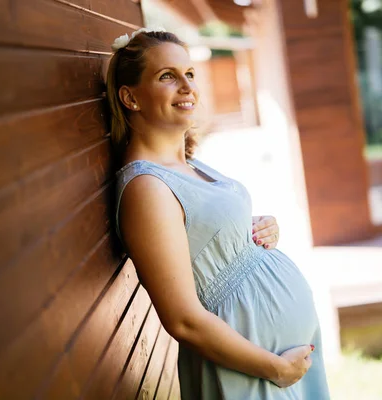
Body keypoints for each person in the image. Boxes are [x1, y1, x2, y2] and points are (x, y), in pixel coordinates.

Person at [108, 28, 330, 399]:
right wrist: (275, 368)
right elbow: (183, 319)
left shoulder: (190, 167)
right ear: (130, 97)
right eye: (167, 76)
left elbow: (205, 241)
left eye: (189, 74)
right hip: (249, 372)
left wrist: (254, 233)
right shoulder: (146, 188)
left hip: (275, 365)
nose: (186, 86)